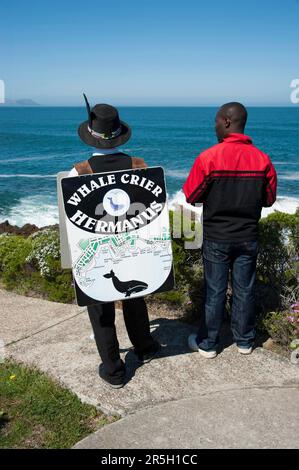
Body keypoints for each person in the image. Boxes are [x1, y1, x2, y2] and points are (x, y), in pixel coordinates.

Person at [68, 94, 160, 388]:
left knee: (100, 309)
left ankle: (114, 369)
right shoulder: (139, 165)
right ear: (119, 133)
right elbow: (153, 213)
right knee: (135, 298)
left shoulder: (79, 172)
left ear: (90, 137)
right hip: (133, 250)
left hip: (96, 253)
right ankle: (144, 347)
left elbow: (71, 223)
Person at [183, 102, 277, 358]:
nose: (214, 126)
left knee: (214, 290)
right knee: (245, 289)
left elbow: (191, 194)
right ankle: (245, 341)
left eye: (215, 121)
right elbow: (269, 199)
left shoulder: (209, 157)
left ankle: (209, 344)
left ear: (226, 121)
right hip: (248, 236)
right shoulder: (262, 159)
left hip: (217, 236)